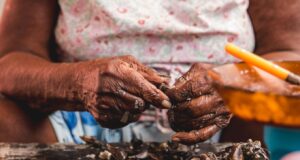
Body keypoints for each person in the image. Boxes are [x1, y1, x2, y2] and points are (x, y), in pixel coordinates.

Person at [0, 0, 299, 144]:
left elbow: (288, 56)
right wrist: (78, 83)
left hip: (228, 125)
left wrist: (232, 86)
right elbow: (12, 60)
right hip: (74, 121)